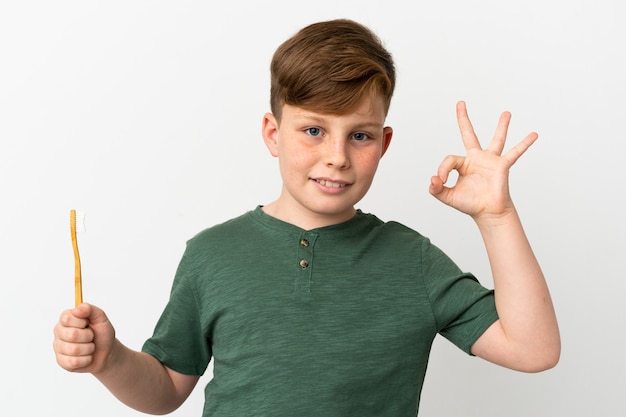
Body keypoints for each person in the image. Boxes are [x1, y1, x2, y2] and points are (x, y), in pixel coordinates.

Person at [53, 18, 560, 416]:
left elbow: (533, 349)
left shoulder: (414, 261)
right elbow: (165, 389)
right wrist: (111, 359)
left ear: (383, 144)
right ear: (273, 133)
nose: (336, 156)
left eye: (359, 135)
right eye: (313, 131)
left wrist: (497, 215)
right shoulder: (212, 254)